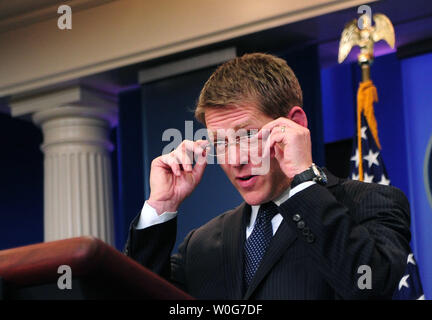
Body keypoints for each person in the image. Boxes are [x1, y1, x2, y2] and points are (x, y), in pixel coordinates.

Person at [124, 53, 411, 299]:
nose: (234, 159)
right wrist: (161, 206)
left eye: (247, 135)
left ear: (294, 124)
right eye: (220, 142)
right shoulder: (200, 244)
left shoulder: (370, 203)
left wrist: (302, 179)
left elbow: (370, 287)